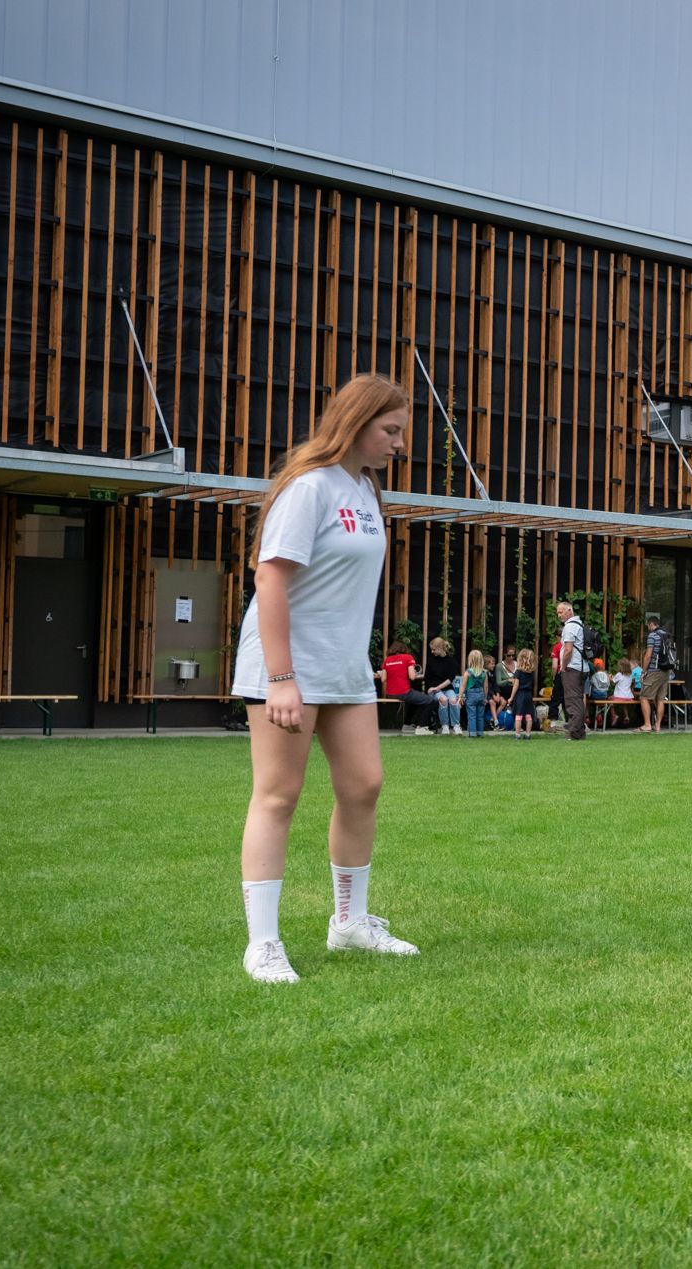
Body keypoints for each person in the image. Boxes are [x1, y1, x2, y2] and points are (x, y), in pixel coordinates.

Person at [233, 372, 419, 985]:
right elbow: (270, 580)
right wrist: (282, 678)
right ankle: (263, 944)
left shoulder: (366, 492)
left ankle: (349, 923)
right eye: (390, 430)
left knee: (364, 785)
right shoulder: (309, 488)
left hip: (343, 669)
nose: (399, 443)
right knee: (279, 795)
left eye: (401, 431)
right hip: (288, 666)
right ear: (355, 423)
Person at [555, 600, 591, 740]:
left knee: (572, 701)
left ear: (569, 610)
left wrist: (563, 666)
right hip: (583, 667)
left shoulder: (569, 627)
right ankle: (580, 731)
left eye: (561, 611)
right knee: (579, 699)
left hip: (573, 668)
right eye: (558, 612)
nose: (559, 615)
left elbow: (568, 650)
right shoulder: (580, 625)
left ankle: (575, 733)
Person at [639, 612, 676, 732]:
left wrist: (644, 671)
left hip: (654, 670)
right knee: (660, 699)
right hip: (666, 671)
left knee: (644, 697)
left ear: (651, 624)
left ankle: (647, 725)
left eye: (648, 626)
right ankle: (658, 726)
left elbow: (648, 655)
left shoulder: (652, 636)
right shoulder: (666, 635)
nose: (648, 628)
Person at [423, 636, 461, 735]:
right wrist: (431, 688)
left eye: (433, 649)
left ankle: (456, 725)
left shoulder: (452, 661)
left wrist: (438, 687)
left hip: (446, 687)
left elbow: (450, 679)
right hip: (434, 689)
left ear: (440, 648)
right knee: (443, 699)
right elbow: (427, 677)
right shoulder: (431, 660)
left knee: (453, 700)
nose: (432, 652)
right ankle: (445, 726)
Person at [510, 648, 539, 739]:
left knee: (518, 715)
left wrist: (511, 697)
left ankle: (517, 735)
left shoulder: (518, 672)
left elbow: (516, 685)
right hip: (528, 695)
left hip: (520, 695)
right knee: (528, 715)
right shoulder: (531, 672)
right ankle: (528, 734)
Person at [461, 649, 491, 737]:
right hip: (481, 695)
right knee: (480, 716)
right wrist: (485, 698)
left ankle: (472, 734)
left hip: (471, 695)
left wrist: (460, 696)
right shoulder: (484, 673)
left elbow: (463, 686)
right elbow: (485, 687)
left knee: (472, 715)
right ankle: (480, 733)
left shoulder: (468, 672)